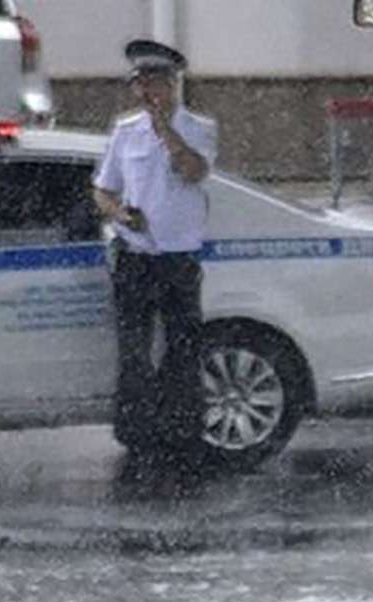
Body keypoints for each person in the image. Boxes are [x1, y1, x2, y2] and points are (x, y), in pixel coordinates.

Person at [91, 39, 218, 468]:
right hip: (136, 255)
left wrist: (166, 130)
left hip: (178, 258)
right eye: (140, 84)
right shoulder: (125, 131)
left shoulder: (198, 127)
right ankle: (138, 432)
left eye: (155, 83)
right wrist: (120, 213)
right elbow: (103, 189)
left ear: (172, 84)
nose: (147, 92)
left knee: (183, 348)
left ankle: (182, 431)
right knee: (134, 349)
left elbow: (195, 171)